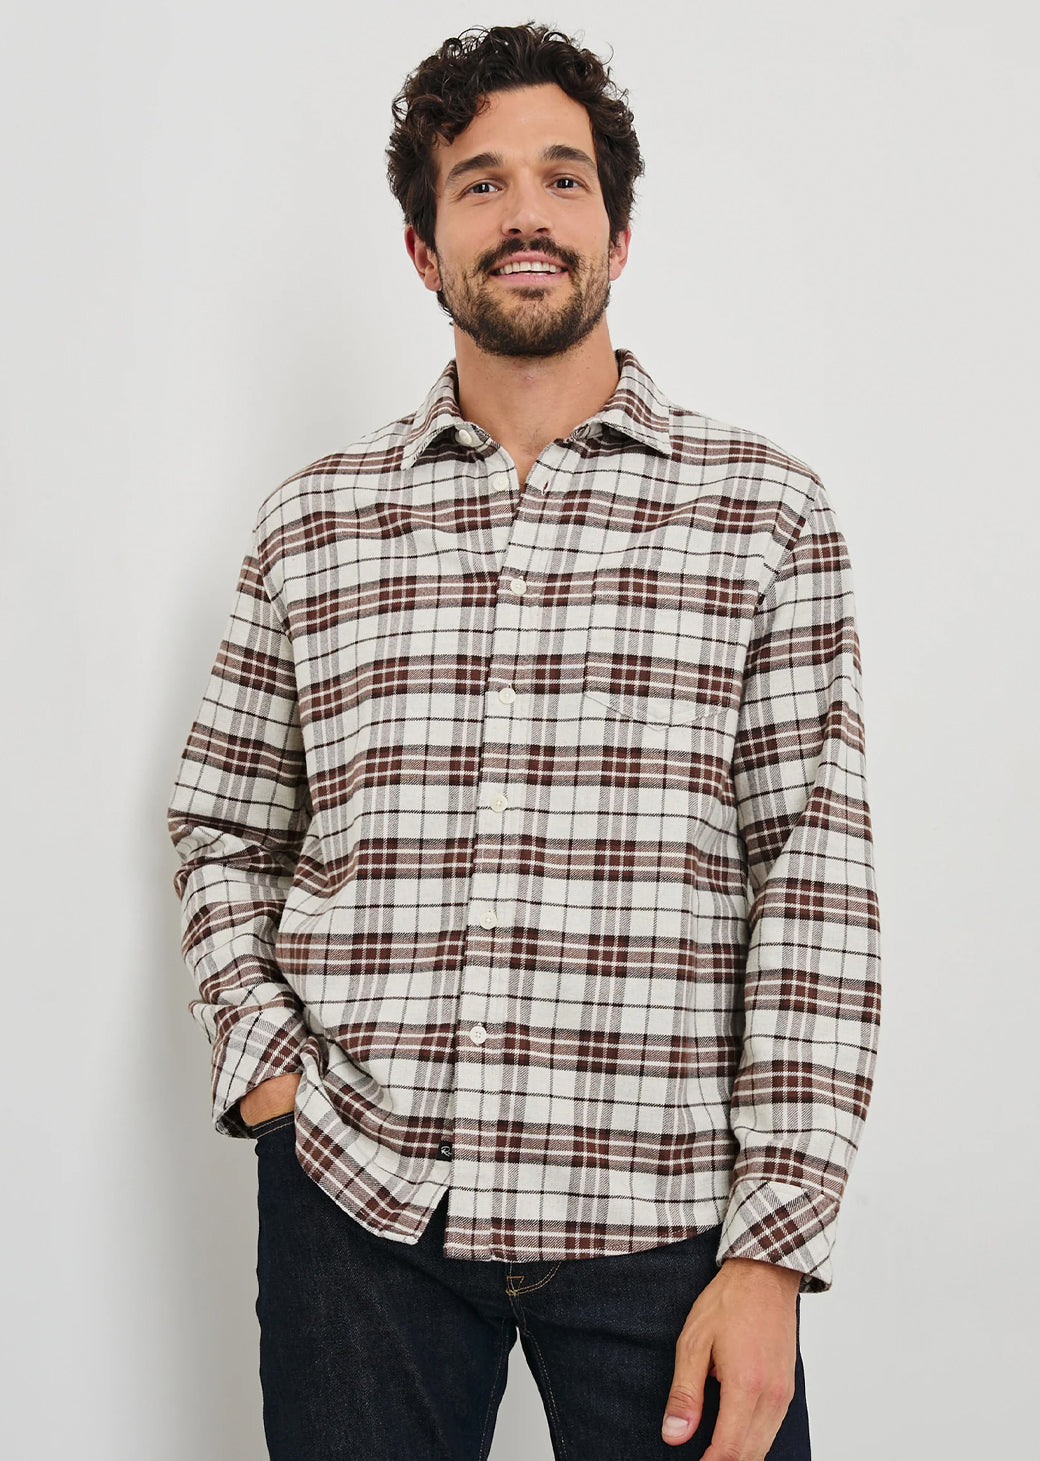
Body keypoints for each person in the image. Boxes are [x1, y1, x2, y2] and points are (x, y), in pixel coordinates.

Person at [166, 22, 881, 1461]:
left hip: (665, 1219)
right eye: (480, 184)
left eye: (563, 178)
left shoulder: (767, 517)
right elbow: (223, 821)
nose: (528, 213)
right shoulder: (315, 523)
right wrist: (269, 1065)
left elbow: (812, 890)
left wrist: (775, 1252)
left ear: (618, 226)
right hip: (363, 1206)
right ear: (426, 250)